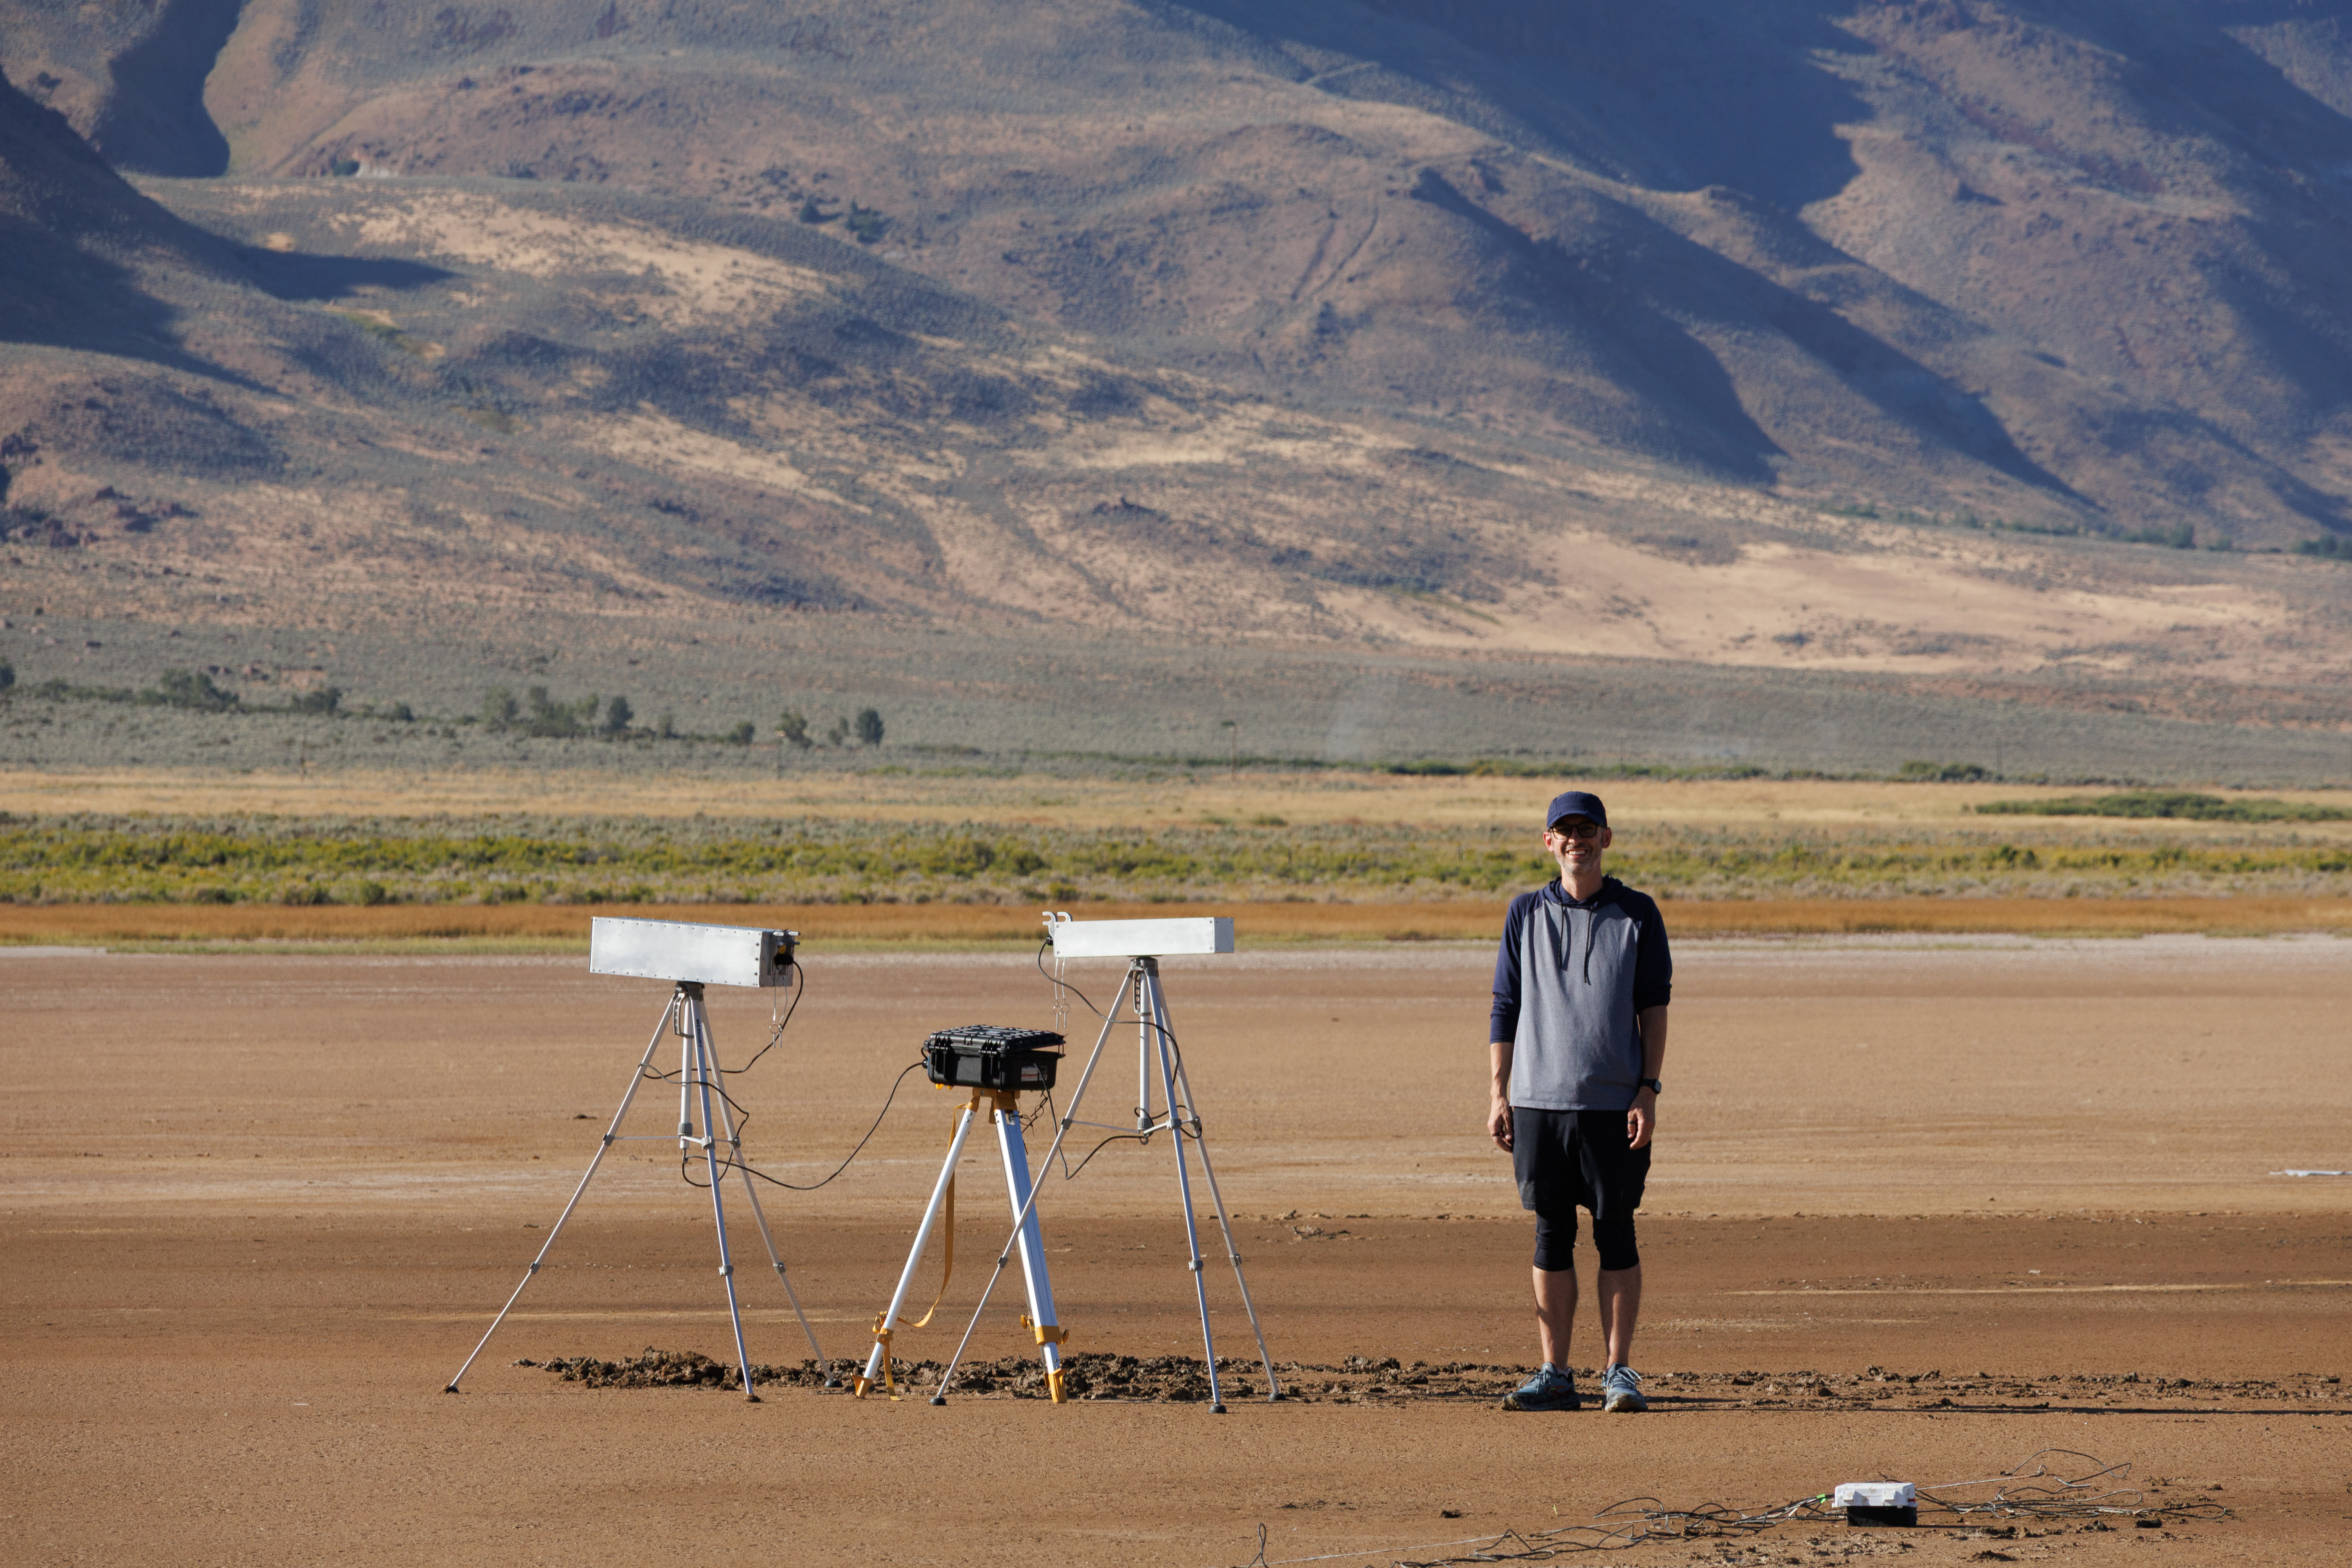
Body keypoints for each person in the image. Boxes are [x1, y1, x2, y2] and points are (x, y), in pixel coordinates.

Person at [1487, 789, 1670, 1413]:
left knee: (1616, 1232)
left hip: (1613, 1104)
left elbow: (1654, 1007)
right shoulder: (1524, 914)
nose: (1576, 840)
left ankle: (1619, 1373)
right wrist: (1499, 1092)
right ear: (1549, 842)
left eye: (1586, 829)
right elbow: (1505, 1007)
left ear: (1606, 838)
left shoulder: (1638, 914)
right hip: (1538, 1103)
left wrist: (1648, 1088)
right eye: (1564, 831)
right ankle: (1556, 1374)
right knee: (1550, 1233)